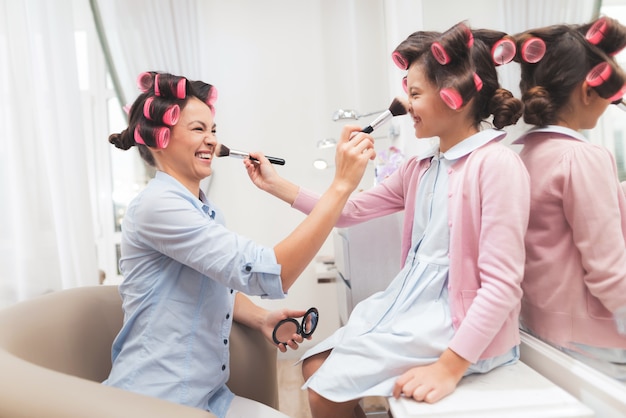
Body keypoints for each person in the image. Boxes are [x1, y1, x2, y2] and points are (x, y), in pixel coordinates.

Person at [245, 22, 530, 417]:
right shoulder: (421, 167)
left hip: (454, 324)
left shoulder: (497, 165)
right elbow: (348, 212)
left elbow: (502, 285)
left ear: (457, 96)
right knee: (314, 365)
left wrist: (449, 367)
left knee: (323, 390)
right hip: (411, 308)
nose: (406, 104)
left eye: (415, 93)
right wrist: (276, 185)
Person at [103, 71, 376, 418]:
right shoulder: (158, 206)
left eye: (213, 130)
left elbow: (212, 283)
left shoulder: (201, 209)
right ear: (160, 139)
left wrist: (262, 318)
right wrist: (340, 187)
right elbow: (269, 272)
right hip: (159, 402)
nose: (212, 142)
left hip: (211, 397)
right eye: (198, 129)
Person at [512, 16, 626, 380]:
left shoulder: (523, 155)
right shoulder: (582, 157)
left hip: (538, 327)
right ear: (587, 91)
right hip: (593, 341)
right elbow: (609, 272)